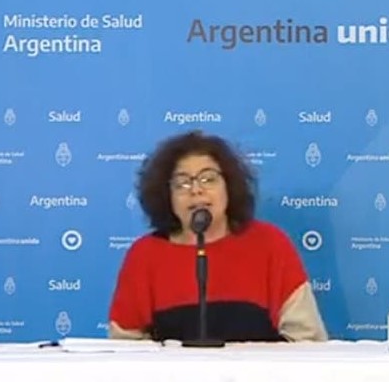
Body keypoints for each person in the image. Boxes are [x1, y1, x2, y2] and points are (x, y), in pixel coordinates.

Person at [108, 130, 328, 342]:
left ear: (228, 186)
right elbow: (126, 347)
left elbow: (306, 339)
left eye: (208, 179)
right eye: (182, 183)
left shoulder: (270, 244)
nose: (196, 190)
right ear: (167, 195)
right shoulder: (145, 255)